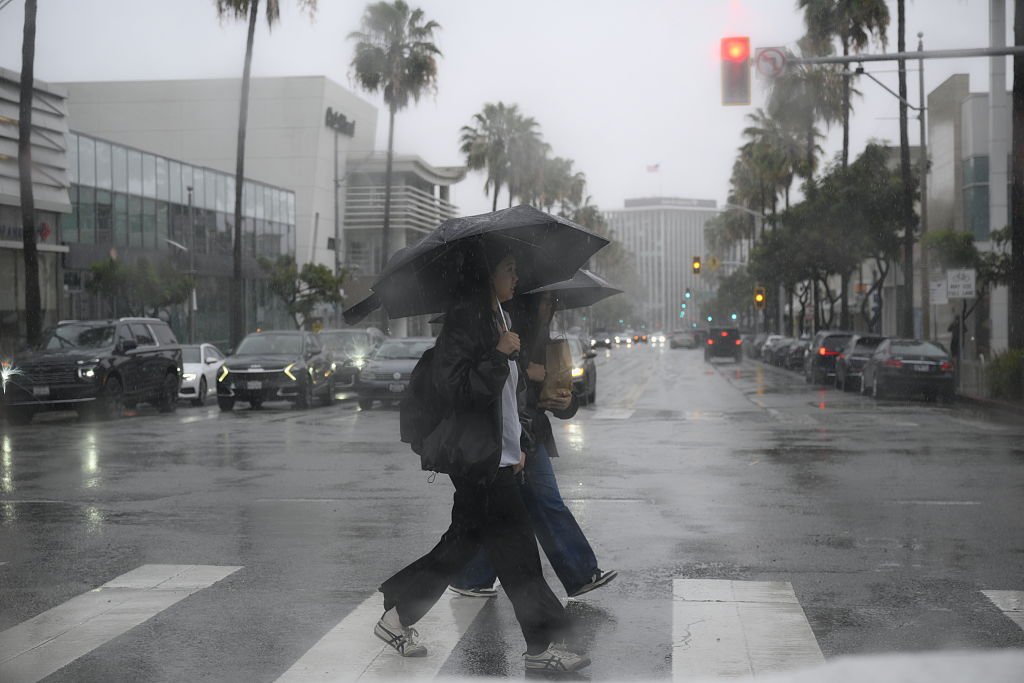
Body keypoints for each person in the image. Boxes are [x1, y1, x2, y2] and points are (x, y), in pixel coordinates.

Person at [374, 241, 590, 674]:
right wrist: (498, 355)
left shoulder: (499, 319)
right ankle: (542, 645)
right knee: (518, 554)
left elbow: (505, 401)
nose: (516, 277)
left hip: (496, 457)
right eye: (508, 269)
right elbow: (456, 392)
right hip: (477, 462)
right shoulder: (464, 324)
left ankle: (396, 615)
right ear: (487, 276)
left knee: (460, 546)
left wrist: (517, 447)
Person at [450, 291, 617, 600]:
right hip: (511, 433)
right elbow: (493, 382)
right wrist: (527, 371)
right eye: (546, 300)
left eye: (554, 300)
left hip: (529, 431)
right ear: (533, 299)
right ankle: (580, 573)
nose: (551, 305)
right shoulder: (506, 328)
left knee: (510, 510)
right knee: (542, 503)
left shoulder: (545, 338)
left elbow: (553, 397)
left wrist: (565, 401)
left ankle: (473, 575)